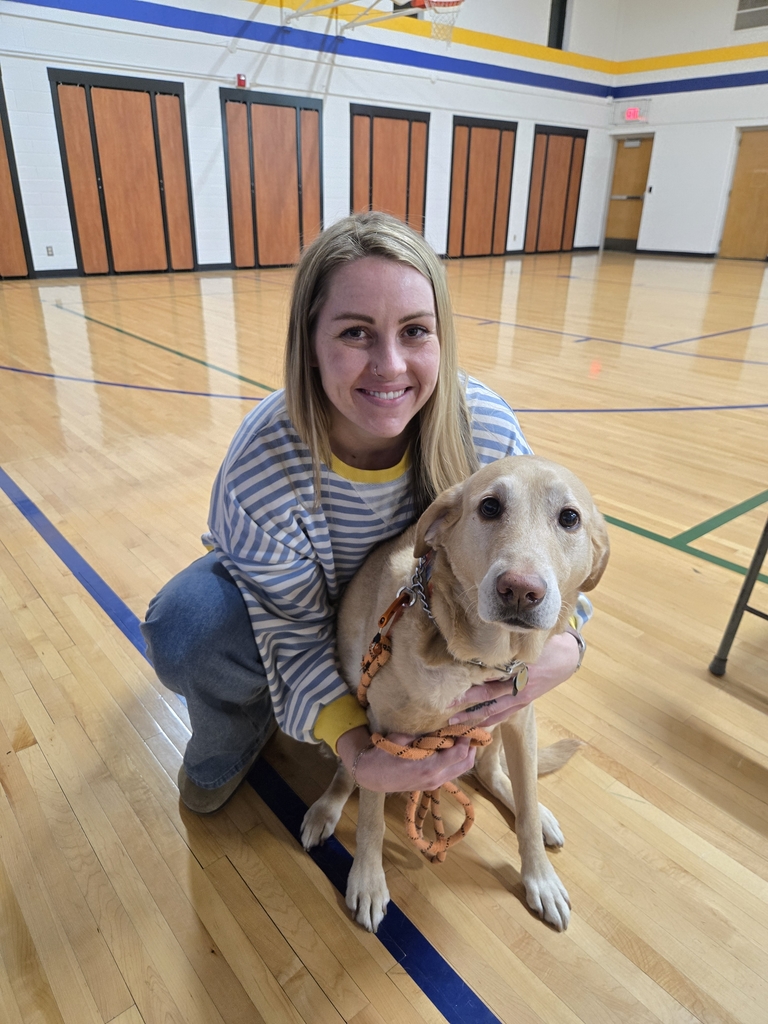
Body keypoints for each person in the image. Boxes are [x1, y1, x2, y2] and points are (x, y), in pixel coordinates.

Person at [141, 211, 586, 814]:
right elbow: (293, 632)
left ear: (442, 337)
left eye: (414, 331)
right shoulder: (260, 468)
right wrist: (356, 747)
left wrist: (567, 648)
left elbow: (548, 558)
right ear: (311, 344)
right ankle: (236, 730)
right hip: (307, 612)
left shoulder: (483, 428)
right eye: (355, 333)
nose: (390, 366)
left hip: (409, 626)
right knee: (189, 625)